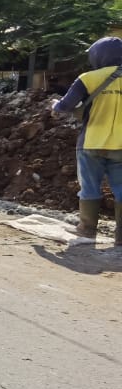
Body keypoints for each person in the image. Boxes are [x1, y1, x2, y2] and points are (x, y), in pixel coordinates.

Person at [52, 36, 122, 243]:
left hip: (91, 143)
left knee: (90, 186)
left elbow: (64, 107)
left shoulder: (88, 78)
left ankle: (87, 228)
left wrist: (54, 105)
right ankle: (120, 236)